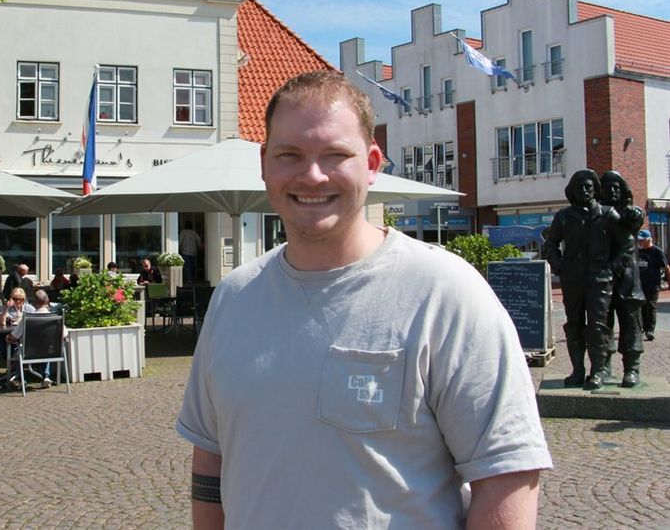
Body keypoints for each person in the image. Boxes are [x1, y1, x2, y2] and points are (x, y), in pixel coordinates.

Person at [177, 71, 551, 528]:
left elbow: (507, 472)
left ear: (372, 163)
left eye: (335, 155)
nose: (312, 175)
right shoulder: (234, 298)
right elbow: (211, 458)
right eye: (289, 155)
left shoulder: (445, 291)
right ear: (264, 163)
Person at [541, 169, 622, 390]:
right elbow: (550, 244)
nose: (585, 190)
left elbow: (625, 245)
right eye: (580, 187)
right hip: (573, 279)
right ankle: (578, 371)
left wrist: (612, 269)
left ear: (596, 189)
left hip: (599, 279)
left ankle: (598, 371)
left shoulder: (608, 214)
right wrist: (559, 267)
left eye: (589, 186)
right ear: (572, 192)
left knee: (597, 326)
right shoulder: (564, 216)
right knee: (574, 325)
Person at [599, 171, 645, 387]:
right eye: (608, 187)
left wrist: (634, 211)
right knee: (603, 325)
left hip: (627, 280)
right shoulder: (597, 214)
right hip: (603, 280)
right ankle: (604, 365)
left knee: (631, 325)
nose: (613, 191)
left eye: (617, 187)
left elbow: (635, 217)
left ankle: (632, 369)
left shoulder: (630, 213)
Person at [5, 289, 53, 389]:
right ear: (47, 301)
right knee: (46, 345)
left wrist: (8, 337)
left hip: (28, 352)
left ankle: (23, 380)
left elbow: (14, 336)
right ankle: (46, 376)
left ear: (34, 303)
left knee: (17, 351)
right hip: (50, 351)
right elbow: (64, 334)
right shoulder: (55, 317)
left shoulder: (28, 318)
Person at [637, 229, 669, 341]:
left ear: (648, 239)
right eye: (639, 240)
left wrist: (669, 282)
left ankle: (650, 330)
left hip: (652, 285)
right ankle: (642, 329)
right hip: (640, 285)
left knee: (651, 307)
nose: (640, 242)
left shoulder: (656, 251)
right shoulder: (638, 251)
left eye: (642, 240)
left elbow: (666, 267)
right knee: (641, 307)